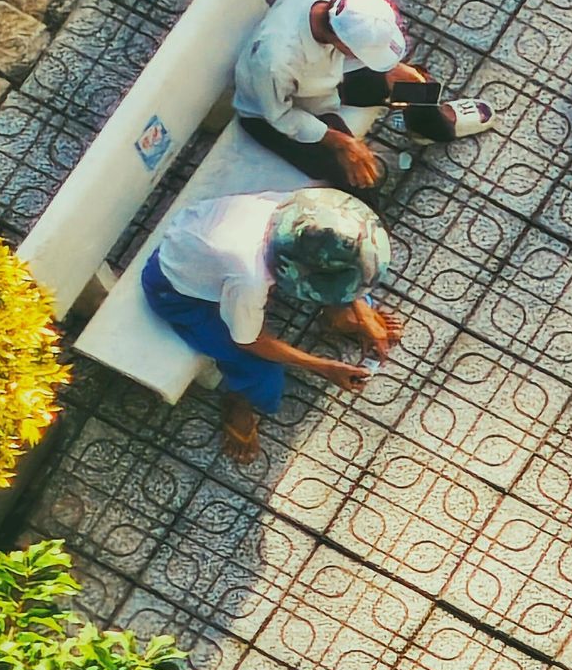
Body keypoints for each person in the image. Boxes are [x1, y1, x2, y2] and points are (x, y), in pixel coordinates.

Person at [141, 186, 400, 464]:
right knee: (262, 369)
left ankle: (340, 316)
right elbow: (250, 341)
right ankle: (239, 397)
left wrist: (362, 313)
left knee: (343, 277)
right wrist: (324, 367)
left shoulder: (298, 213)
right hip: (176, 288)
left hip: (206, 243)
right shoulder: (249, 279)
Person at [233, 0, 495, 200]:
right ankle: (362, 235)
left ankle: (430, 126)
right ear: (340, 41)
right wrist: (340, 141)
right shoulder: (274, 60)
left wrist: (393, 68)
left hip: (331, 70)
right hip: (279, 110)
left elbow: (357, 30)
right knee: (359, 176)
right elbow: (280, 116)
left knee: (416, 84)